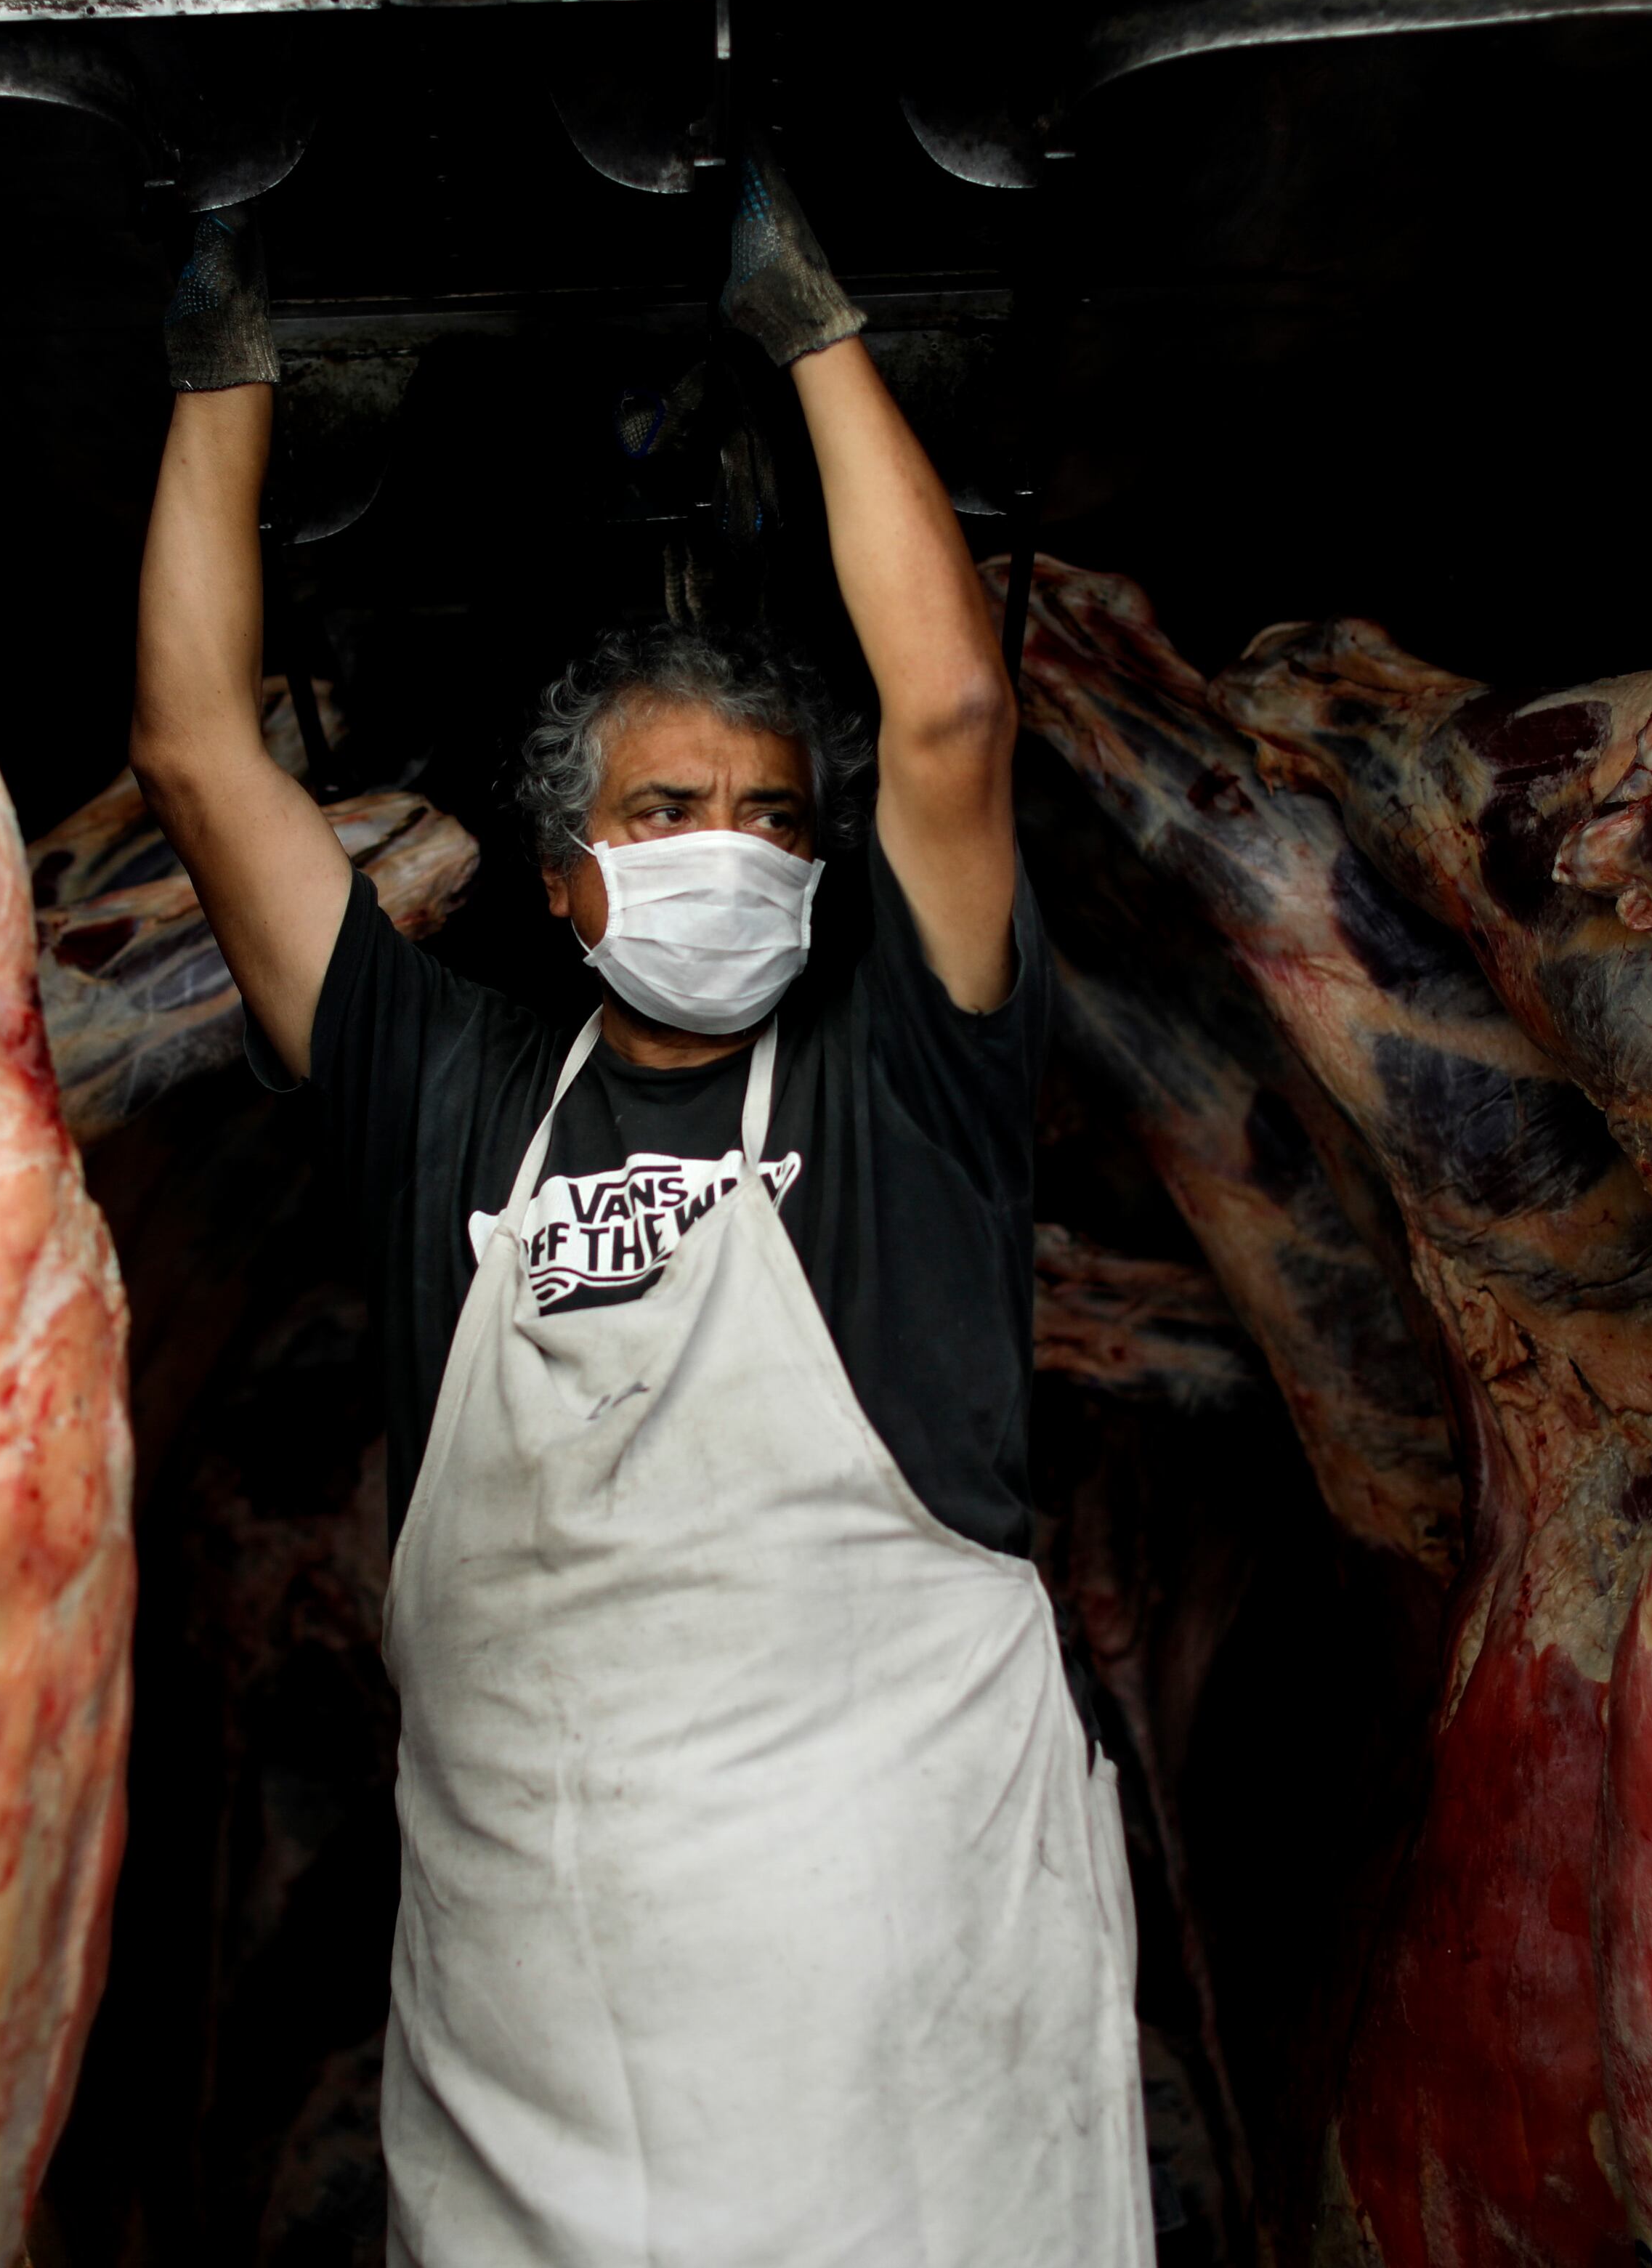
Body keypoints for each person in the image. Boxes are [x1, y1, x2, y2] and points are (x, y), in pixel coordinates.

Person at [130, 152, 1150, 2268]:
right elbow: (197, 749)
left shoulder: (909, 1075)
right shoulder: (448, 1092)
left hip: (906, 2029)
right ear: (566, 883)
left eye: (774, 820)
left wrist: (815, 330)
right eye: (667, 814)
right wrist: (225, 358)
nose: (732, 853)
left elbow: (952, 714)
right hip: (541, 2049)